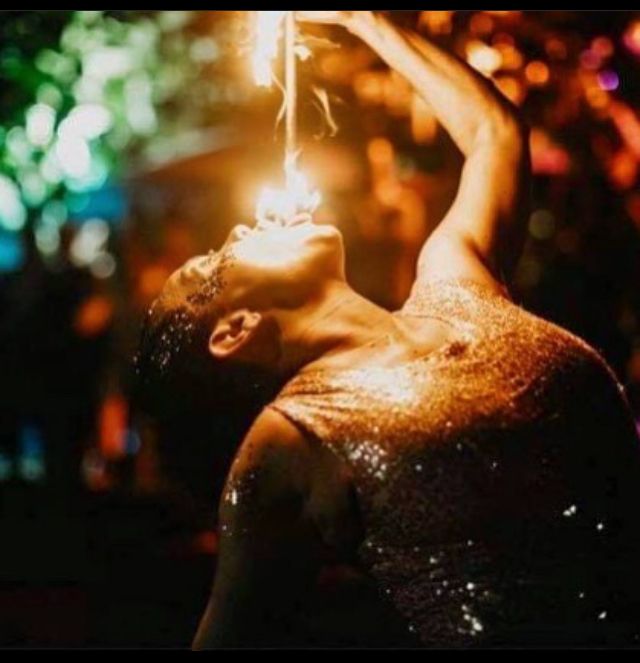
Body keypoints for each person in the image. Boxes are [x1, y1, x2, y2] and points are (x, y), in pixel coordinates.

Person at [136, 11, 640, 648]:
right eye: (212, 263)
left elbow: (494, 132)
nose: (235, 231)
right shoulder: (288, 444)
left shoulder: (455, 282)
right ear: (234, 330)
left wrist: (362, 19)